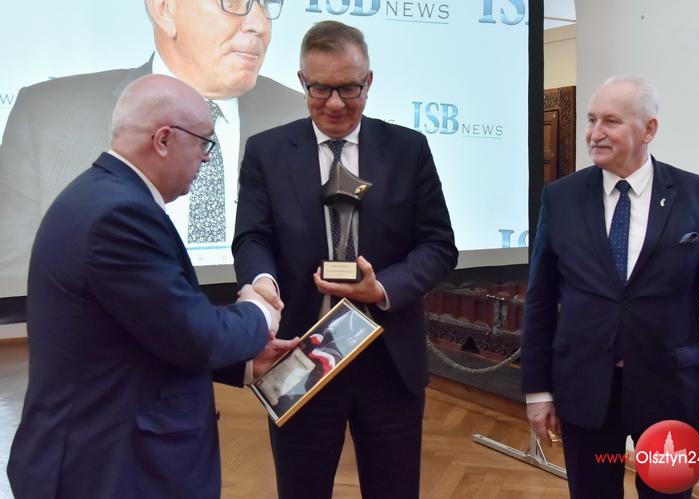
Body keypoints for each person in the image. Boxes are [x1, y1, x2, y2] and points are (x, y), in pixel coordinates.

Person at [6, 74, 299, 499]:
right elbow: (195, 335)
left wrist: (246, 364)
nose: (207, 157)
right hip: (110, 470)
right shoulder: (119, 215)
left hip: (104, 458)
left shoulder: (103, 197)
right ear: (163, 140)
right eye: (203, 142)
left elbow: (151, 329)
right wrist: (259, 310)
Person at [232, 20, 457, 499]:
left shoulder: (408, 150)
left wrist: (383, 287)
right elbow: (252, 238)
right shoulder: (266, 152)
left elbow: (439, 245)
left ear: (368, 82)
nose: (335, 103)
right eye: (320, 88)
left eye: (349, 88)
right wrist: (263, 281)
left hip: (389, 361)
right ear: (302, 82)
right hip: (300, 354)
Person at [521, 76, 699, 499]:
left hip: (672, 392)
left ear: (649, 129)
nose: (595, 133)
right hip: (584, 389)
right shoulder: (560, 198)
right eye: (591, 120)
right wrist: (537, 390)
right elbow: (540, 301)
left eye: (611, 121)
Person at [0, 0, 306, 286]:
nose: (259, 24)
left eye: (266, 3)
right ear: (164, 9)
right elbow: (15, 283)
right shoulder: (48, 115)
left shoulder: (302, 117)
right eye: (234, 2)